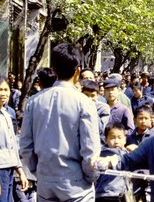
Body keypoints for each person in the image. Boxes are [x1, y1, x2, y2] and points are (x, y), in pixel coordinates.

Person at [20, 43, 101, 202]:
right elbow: (90, 149)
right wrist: (90, 177)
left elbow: (25, 146)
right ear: (78, 71)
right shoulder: (85, 103)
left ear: (53, 70)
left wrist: (38, 171)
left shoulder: (33, 102)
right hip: (76, 184)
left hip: (45, 180)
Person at [95, 122, 129, 201]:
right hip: (105, 193)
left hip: (123, 194)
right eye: (112, 138)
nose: (116, 141)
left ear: (125, 139)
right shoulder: (102, 154)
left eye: (120, 137)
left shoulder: (128, 154)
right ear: (105, 140)